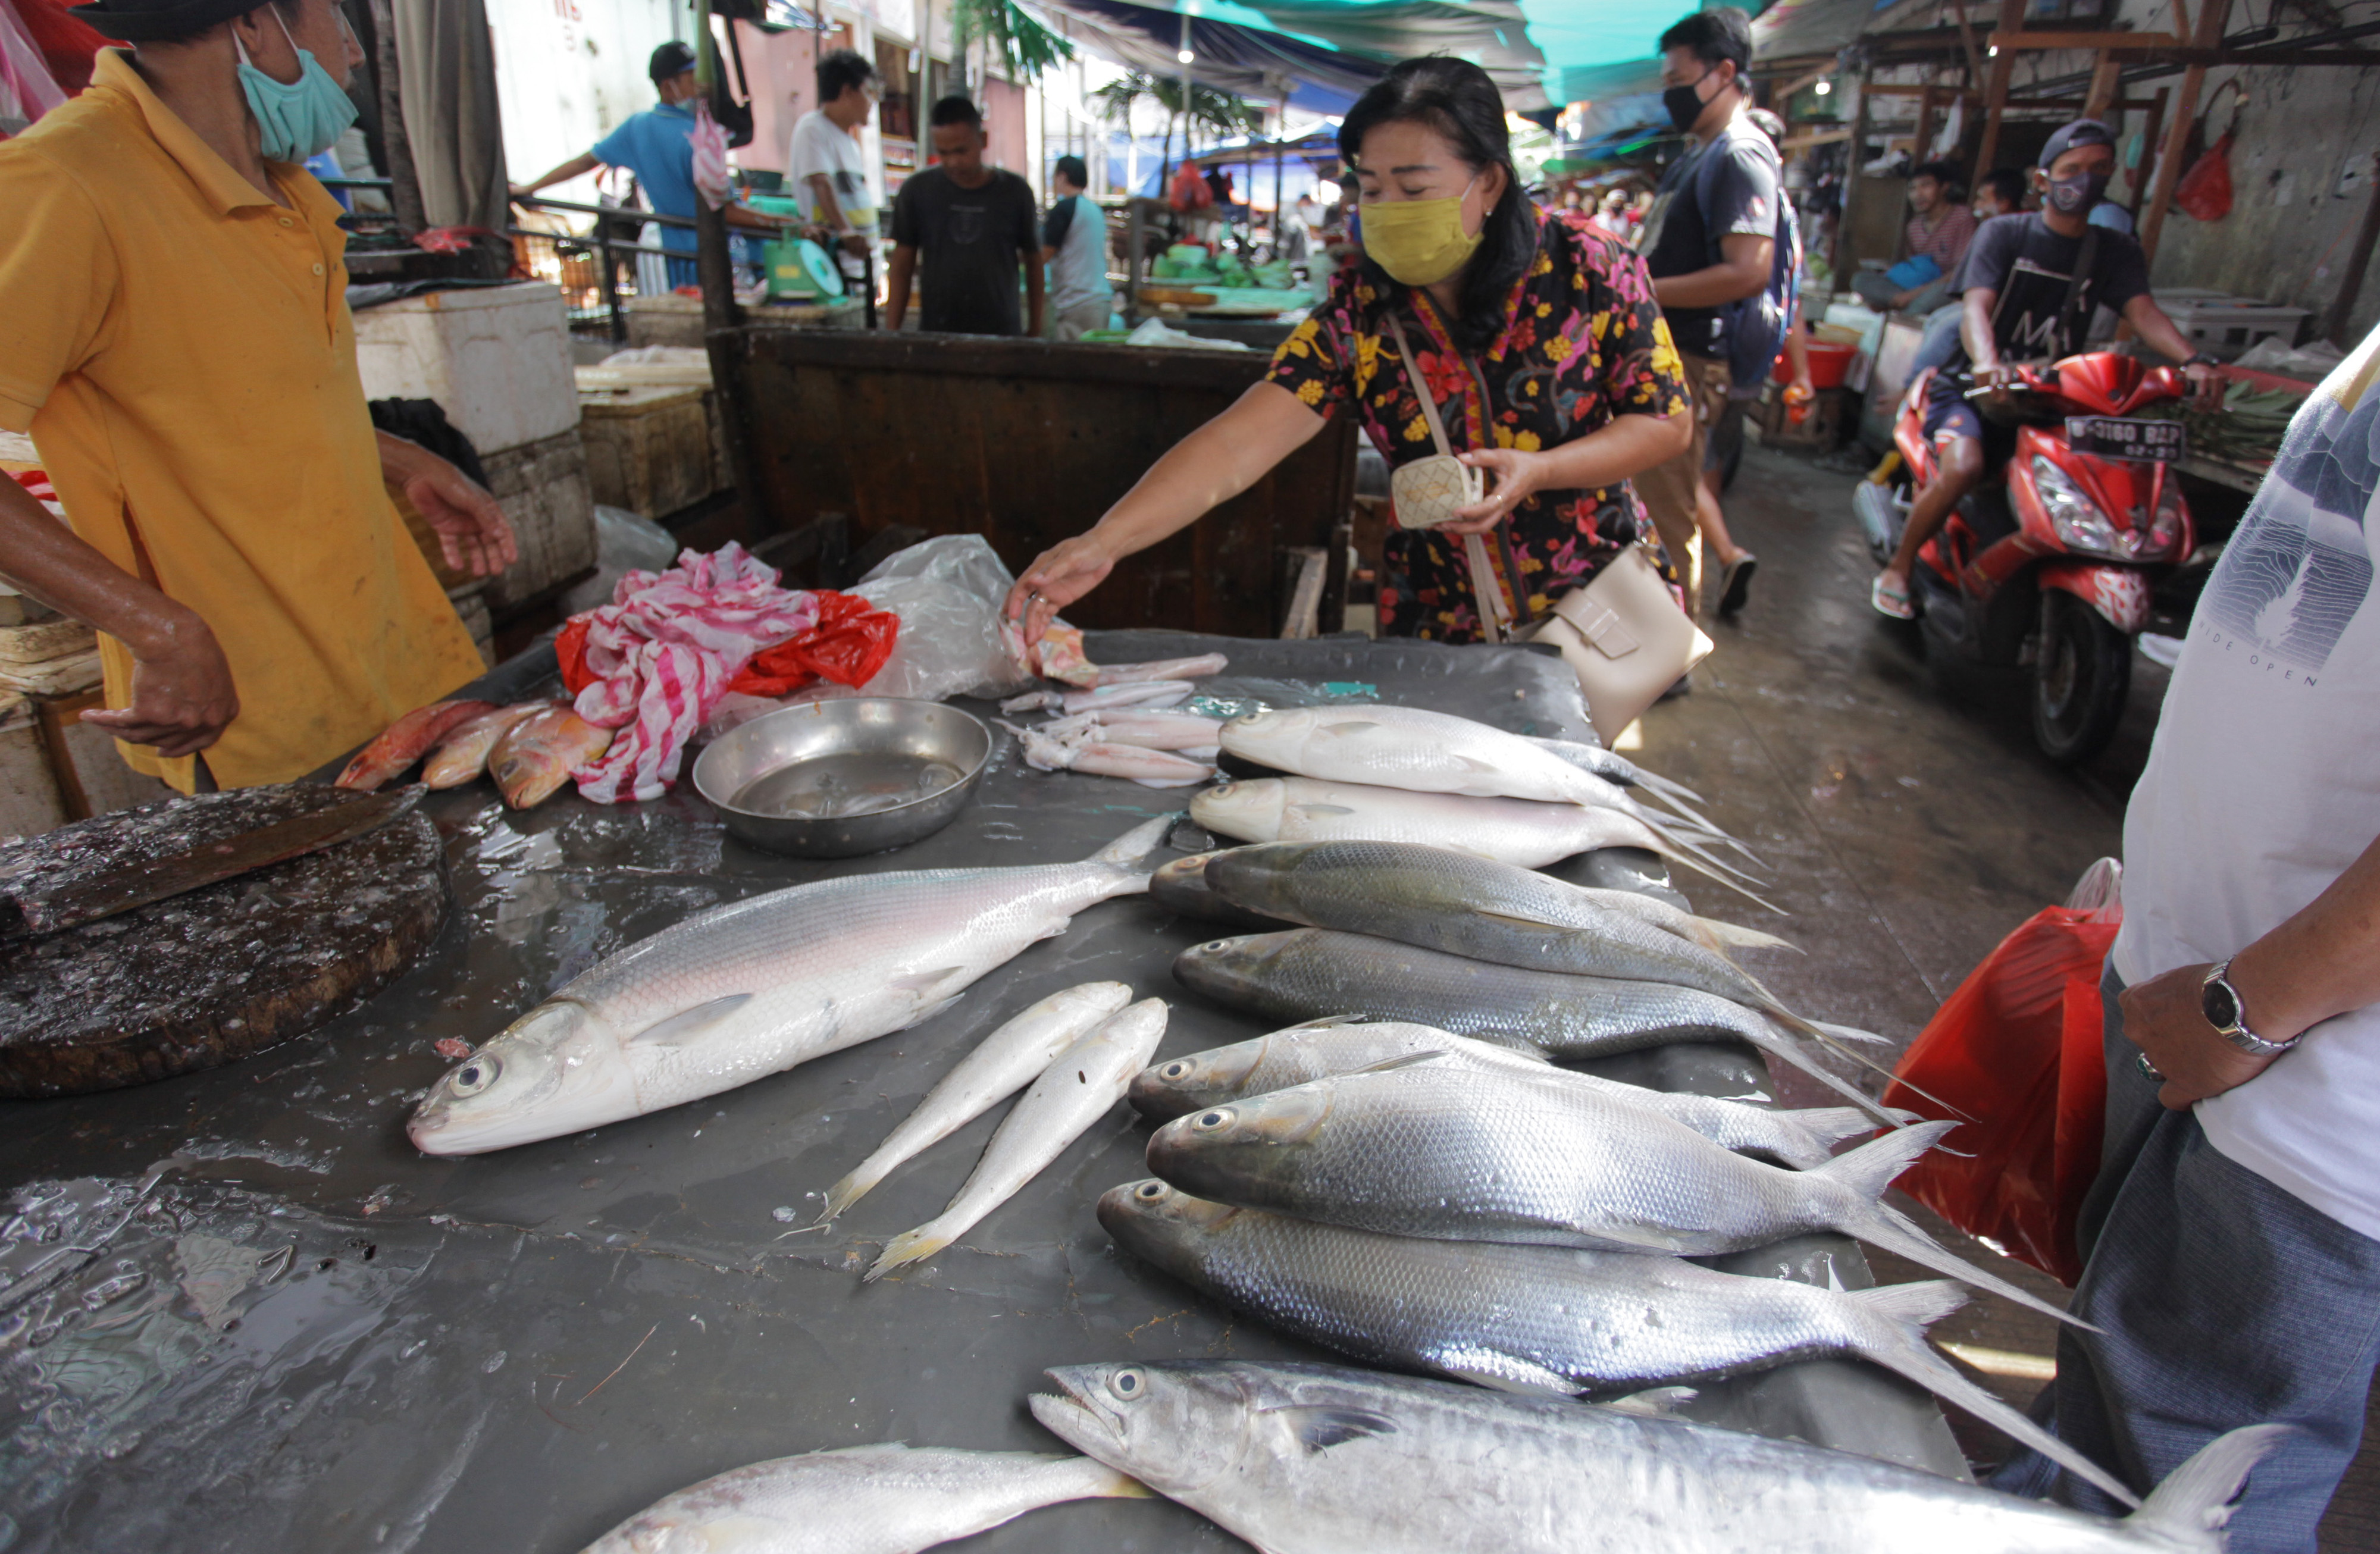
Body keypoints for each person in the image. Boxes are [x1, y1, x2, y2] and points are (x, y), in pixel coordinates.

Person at [1987, 318, 2380, 1547]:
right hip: (2205, 1031)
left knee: (2187, 1499)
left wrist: (2239, 1008)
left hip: (2299, 1086)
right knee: (2105, 1426)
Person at [0, 0, 515, 789]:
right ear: (252, 24)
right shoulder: (65, 182)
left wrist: (392, 454)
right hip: (264, 723)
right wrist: (158, 628)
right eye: (335, 17)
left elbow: (219, 395)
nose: (353, 51)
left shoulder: (280, 186)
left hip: (396, 670)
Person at [1002, 57, 1690, 646]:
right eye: (1370, 186)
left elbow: (1664, 422)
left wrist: (1540, 471)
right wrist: (1104, 542)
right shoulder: (1362, 313)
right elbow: (1237, 446)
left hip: (1593, 608)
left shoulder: (1589, 267)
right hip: (1438, 620)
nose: (1387, 207)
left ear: (1489, 181)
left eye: (1414, 188)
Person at [1871, 119, 2221, 618]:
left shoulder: (2113, 250)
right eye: (2072, 169)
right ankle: (1899, 568)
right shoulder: (2004, 234)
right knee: (1965, 466)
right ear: (2043, 180)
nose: (2085, 179)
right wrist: (1988, 363)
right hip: (1973, 388)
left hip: (2051, 394)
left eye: (2099, 169)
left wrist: (2193, 360)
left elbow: (2142, 312)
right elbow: (1975, 308)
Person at [1636, 7, 1779, 624]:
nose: (1671, 94)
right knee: (1654, 499)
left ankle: (1673, 651)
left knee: (1670, 509)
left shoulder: (1740, 155)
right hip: (1667, 352)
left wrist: (1638, 290)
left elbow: (1749, 270)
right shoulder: (1701, 152)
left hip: (1690, 358)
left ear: (1724, 72)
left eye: (1678, 80)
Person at [513, 41, 788, 290]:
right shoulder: (701, 138)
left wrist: (531, 187)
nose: (705, 86)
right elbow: (725, 211)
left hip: (679, 261)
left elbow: (586, 161)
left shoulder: (638, 128)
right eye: (694, 79)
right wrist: (785, 224)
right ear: (669, 85)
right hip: (722, 261)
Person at [885, 95, 1043, 337]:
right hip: (937, 334)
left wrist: (1035, 328)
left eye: (961, 151)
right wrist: (891, 333)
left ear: (983, 140)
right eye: (944, 153)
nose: (953, 162)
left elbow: (1034, 262)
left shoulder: (1015, 192)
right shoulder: (917, 191)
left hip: (1001, 334)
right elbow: (901, 266)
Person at [1852, 158, 1975, 317]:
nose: (1918, 194)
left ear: (1945, 187)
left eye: (1926, 186)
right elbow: (1915, 266)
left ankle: (1901, 312)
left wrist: (1912, 295)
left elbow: (1961, 271)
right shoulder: (1914, 227)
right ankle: (1898, 305)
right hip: (1915, 287)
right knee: (1860, 279)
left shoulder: (1962, 217)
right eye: (1913, 189)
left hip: (1941, 286)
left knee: (1941, 292)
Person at [787, 46, 878, 258]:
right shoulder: (813, 128)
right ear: (847, 92)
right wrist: (847, 231)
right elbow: (822, 183)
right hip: (837, 262)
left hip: (861, 264)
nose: (871, 102)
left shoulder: (849, 141)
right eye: (867, 92)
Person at [1041, 154, 1111, 341]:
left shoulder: (1064, 209)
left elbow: (1044, 254)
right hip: (1100, 299)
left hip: (1077, 303)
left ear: (1062, 177)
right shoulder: (1094, 210)